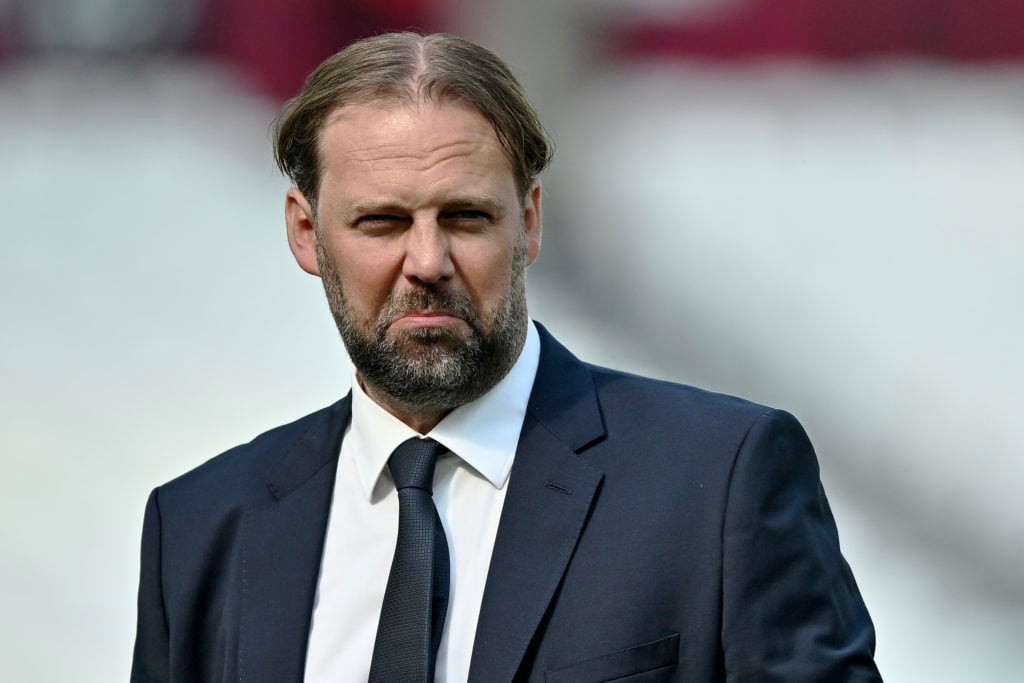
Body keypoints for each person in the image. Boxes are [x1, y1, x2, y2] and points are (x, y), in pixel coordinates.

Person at [130, 31, 881, 683]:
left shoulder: (718, 481)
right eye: (382, 221)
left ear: (528, 222)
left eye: (465, 216)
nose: (427, 259)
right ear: (305, 233)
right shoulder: (201, 528)